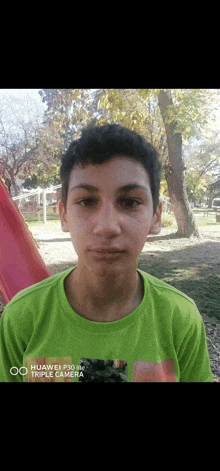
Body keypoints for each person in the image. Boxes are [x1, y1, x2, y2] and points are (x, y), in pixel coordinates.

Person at [0, 124, 214, 382]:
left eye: (130, 202)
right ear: (64, 214)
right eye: (87, 201)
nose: (107, 227)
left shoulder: (180, 319)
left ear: (156, 217)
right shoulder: (22, 318)